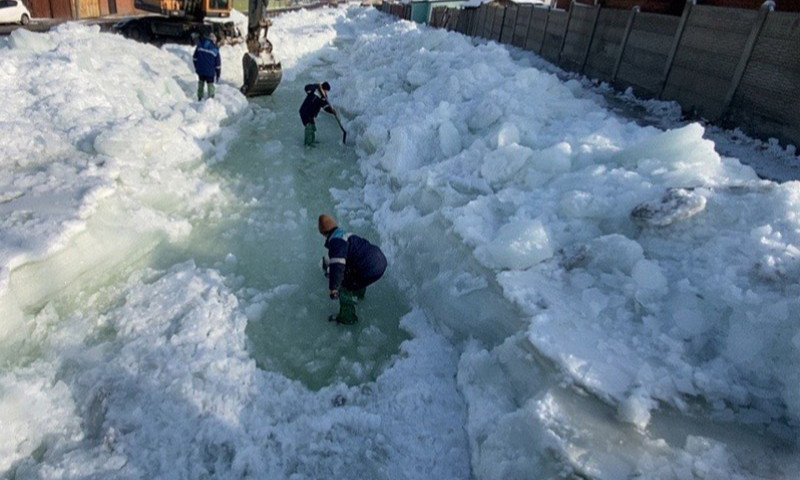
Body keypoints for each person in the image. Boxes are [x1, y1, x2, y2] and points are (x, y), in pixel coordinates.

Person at [318, 214, 387, 325]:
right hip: (380, 260)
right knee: (355, 272)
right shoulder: (346, 234)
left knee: (344, 285)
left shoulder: (336, 241)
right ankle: (359, 293)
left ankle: (348, 317)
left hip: (369, 268)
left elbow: (337, 265)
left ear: (324, 233)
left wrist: (333, 288)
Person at [299, 82, 334, 147]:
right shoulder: (314, 90)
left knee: (312, 127)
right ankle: (308, 144)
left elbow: (325, 107)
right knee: (309, 127)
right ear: (323, 88)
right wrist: (316, 86)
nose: (326, 92)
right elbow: (306, 88)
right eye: (326, 91)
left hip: (311, 114)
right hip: (305, 112)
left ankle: (312, 140)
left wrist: (332, 111)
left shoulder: (323, 97)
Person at [193, 33, 221, 101]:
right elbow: (218, 65)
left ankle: (200, 97)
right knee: (210, 84)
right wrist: (218, 74)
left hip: (201, 70)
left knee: (201, 83)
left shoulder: (200, 45)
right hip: (210, 71)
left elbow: (194, 58)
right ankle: (210, 98)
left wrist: (197, 67)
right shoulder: (215, 49)